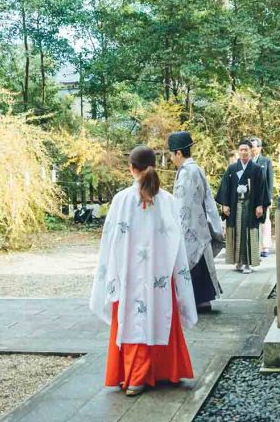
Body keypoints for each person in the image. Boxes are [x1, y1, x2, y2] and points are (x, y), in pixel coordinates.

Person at [90, 145, 197, 397]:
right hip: (159, 276)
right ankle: (165, 371)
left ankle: (135, 376)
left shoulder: (121, 200)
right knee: (161, 315)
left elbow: (110, 241)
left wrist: (112, 272)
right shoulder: (168, 201)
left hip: (129, 274)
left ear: (131, 167)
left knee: (133, 318)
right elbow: (176, 244)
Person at [168, 131, 224, 312]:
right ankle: (202, 300)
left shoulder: (187, 173)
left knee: (193, 261)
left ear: (178, 153)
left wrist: (177, 225)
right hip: (197, 224)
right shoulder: (194, 169)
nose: (170, 158)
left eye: (171, 153)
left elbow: (183, 204)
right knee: (199, 263)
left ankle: (199, 301)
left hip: (190, 225)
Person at [215, 140, 269, 273]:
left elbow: (262, 188)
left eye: (246, 149)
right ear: (239, 152)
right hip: (235, 205)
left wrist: (260, 205)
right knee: (236, 231)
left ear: (251, 151)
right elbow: (225, 187)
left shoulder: (256, 169)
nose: (244, 152)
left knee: (247, 232)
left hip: (250, 205)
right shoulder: (232, 168)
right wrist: (225, 205)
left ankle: (247, 263)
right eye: (241, 150)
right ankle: (238, 261)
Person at [249, 137, 275, 257]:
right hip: (249, 196)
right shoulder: (246, 161)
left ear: (259, 148)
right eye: (250, 146)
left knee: (265, 221)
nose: (252, 149)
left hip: (263, 195)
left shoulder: (266, 161)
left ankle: (265, 247)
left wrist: (270, 197)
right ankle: (253, 246)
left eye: (254, 146)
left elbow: (270, 180)